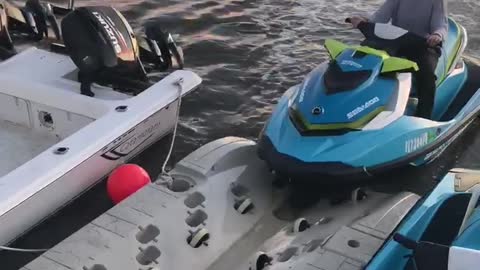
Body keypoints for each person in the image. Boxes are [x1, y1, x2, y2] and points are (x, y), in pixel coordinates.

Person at [349, 0, 448, 119]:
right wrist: (362, 19)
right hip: (396, 41)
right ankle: (356, 102)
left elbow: (440, 24)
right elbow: (379, 17)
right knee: (365, 57)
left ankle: (423, 116)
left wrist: (437, 35)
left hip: (423, 44)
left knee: (426, 75)